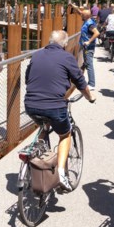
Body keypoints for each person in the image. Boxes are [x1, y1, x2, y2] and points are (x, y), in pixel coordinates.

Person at [25, 30, 96, 191]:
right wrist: (89, 97)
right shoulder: (67, 57)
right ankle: (61, 173)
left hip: (30, 104)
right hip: (54, 105)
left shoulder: (36, 55)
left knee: (44, 126)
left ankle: (37, 158)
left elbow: (28, 78)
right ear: (64, 44)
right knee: (65, 134)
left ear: (50, 41)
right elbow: (80, 81)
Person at [80, 9, 99, 90]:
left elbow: (97, 33)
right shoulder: (87, 21)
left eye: (82, 15)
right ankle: (81, 79)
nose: (81, 15)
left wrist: (89, 41)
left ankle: (91, 84)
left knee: (89, 65)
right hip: (86, 47)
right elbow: (79, 12)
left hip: (89, 47)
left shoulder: (90, 24)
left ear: (85, 16)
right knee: (86, 63)